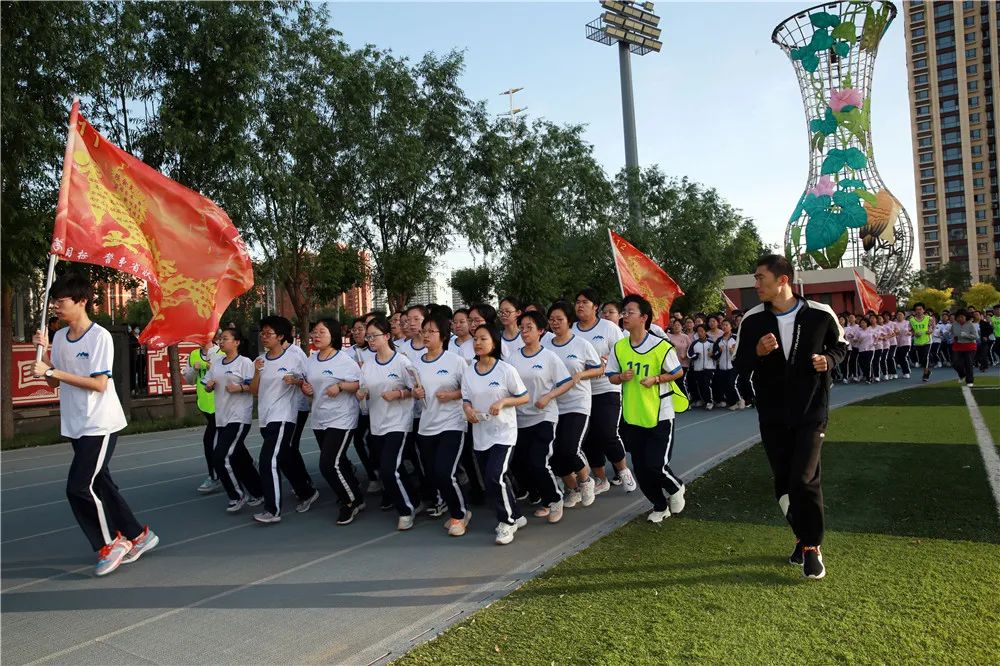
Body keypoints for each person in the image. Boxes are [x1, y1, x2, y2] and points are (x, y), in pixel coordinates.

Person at [32, 274, 158, 576]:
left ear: (82, 301)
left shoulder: (99, 336)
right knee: (100, 482)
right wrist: (46, 357)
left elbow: (99, 384)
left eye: (61, 302)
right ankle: (138, 535)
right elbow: (54, 382)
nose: (57, 308)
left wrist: (53, 372)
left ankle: (110, 543)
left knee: (78, 486)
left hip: (99, 422)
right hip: (75, 422)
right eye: (55, 303)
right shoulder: (60, 337)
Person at [733, 255, 848, 580]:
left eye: (760, 278)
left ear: (782, 280)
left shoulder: (820, 314)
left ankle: (812, 547)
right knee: (783, 483)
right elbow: (739, 364)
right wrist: (756, 352)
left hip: (811, 410)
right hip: (771, 413)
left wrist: (828, 359)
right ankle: (801, 536)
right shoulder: (752, 320)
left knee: (803, 478)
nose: (755, 285)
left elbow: (842, 346)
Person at [606, 294, 687, 524]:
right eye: (623, 312)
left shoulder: (660, 346)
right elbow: (611, 376)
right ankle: (659, 506)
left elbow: (677, 372)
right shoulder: (620, 347)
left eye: (629, 312)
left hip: (661, 414)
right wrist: (621, 376)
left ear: (644, 317)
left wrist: (657, 379)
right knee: (641, 469)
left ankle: (676, 486)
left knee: (656, 464)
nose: (625, 316)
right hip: (633, 416)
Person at [461, 324, 530, 545]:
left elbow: (523, 397)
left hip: (504, 433)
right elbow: (466, 399)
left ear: (494, 343)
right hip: (481, 433)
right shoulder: (469, 372)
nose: (478, 343)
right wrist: (469, 411)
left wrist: (503, 401)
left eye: (483, 339)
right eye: (475, 339)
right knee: (496, 479)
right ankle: (517, 515)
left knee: (494, 476)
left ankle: (506, 522)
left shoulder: (505, 370)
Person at [250, 316, 319, 524]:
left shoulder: (294, 358)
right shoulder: (260, 360)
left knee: (267, 461)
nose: (264, 337)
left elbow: (308, 382)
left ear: (280, 336)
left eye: (269, 334)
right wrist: (256, 372)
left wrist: (296, 381)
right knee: (285, 457)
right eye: (262, 333)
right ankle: (306, 492)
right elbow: (254, 391)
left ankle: (272, 510)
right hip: (265, 417)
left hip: (284, 417)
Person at [509, 311, 575, 524]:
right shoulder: (513, 357)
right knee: (521, 464)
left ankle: (555, 499)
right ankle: (545, 499)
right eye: (522, 327)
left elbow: (567, 382)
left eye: (529, 327)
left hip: (544, 417)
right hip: (520, 419)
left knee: (539, 461)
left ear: (540, 331)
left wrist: (548, 396)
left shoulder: (549, 357)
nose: (524, 331)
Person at [358, 316, 422, 530]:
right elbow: (364, 388)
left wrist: (399, 393)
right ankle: (415, 500)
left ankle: (406, 510)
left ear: (387, 336)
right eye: (368, 337)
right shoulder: (367, 365)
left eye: (374, 336)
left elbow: (418, 391)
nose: (370, 340)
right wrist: (362, 394)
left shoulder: (401, 362)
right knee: (394, 468)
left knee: (388, 469)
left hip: (399, 423)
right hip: (377, 424)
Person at [300, 317, 365, 525]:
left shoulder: (344, 360)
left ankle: (351, 501)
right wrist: (306, 388)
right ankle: (352, 490)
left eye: (322, 332)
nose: (316, 335)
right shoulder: (311, 360)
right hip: (320, 418)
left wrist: (340, 387)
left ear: (333, 336)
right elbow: (309, 385)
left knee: (328, 463)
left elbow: (358, 384)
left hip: (342, 417)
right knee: (339, 461)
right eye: (315, 332)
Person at [411, 312, 471, 536]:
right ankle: (456, 508)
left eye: (431, 331)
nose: (425, 335)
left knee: (445, 472)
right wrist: (415, 392)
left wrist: (453, 395)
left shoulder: (455, 361)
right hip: (427, 425)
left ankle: (459, 515)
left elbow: (468, 390)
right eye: (423, 331)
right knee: (434, 474)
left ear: (443, 335)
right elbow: (415, 390)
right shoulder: (416, 364)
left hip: (452, 424)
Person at [573, 288, 636, 493]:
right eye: (578, 302)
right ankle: (601, 479)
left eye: (585, 302)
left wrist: (609, 360)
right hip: (581, 392)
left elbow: (621, 354)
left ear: (595, 307)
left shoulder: (609, 328)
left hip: (607, 387)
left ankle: (623, 470)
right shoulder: (571, 330)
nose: (580, 305)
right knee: (589, 438)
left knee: (607, 432)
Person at [546, 301, 602, 508]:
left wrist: (581, 374)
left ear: (569, 321)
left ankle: (586, 480)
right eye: (551, 319)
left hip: (577, 403)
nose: (555, 323)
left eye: (559, 319)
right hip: (554, 406)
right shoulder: (546, 344)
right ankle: (572, 488)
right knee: (554, 454)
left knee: (569, 449)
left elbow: (598, 369)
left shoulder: (581, 344)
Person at [203, 328, 264, 513]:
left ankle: (237, 495)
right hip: (221, 416)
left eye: (226, 339)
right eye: (220, 339)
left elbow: (254, 387)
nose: (221, 342)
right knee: (239, 457)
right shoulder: (216, 363)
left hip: (238, 416)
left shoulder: (244, 362)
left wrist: (240, 388)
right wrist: (209, 386)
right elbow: (207, 384)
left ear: (237, 342)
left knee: (220, 456)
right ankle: (259, 491)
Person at [187, 340, 224, 495]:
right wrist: (194, 370)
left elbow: (223, 374)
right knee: (224, 439)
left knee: (210, 441)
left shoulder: (221, 352)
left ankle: (214, 477)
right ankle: (247, 463)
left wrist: (208, 365)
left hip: (221, 404)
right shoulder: (194, 354)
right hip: (205, 405)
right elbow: (189, 380)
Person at [349, 316, 380, 493]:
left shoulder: (375, 351)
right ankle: (373, 475)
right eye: (355, 330)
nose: (357, 333)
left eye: (361, 329)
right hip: (359, 407)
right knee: (359, 439)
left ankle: (380, 473)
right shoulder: (347, 353)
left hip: (377, 405)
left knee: (374, 439)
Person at [714, 319, 742, 410]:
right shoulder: (719, 340)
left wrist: (733, 352)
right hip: (722, 366)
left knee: (731, 384)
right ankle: (732, 403)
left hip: (733, 365)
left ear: (731, 326)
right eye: (723, 325)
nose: (724, 327)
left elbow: (742, 351)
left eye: (726, 325)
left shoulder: (736, 337)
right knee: (724, 385)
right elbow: (714, 355)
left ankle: (739, 400)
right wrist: (719, 351)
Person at [687, 325, 716, 409]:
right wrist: (695, 356)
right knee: (700, 385)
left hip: (709, 368)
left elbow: (717, 354)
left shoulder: (711, 343)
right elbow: (689, 354)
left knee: (707, 385)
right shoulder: (694, 343)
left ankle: (709, 402)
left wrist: (713, 355)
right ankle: (703, 400)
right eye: (698, 331)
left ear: (705, 332)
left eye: (702, 331)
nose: (700, 333)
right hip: (698, 368)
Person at [950, 310, 978, 387]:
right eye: (958, 317)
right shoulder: (954, 324)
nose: (960, 318)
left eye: (962, 317)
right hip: (958, 346)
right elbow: (951, 333)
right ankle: (962, 374)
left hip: (970, 346)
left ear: (966, 317)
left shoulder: (970, 325)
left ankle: (969, 380)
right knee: (955, 363)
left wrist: (966, 335)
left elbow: (976, 337)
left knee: (968, 364)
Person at [909, 303, 932, 382]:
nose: (918, 311)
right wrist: (914, 333)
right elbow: (910, 330)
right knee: (921, 359)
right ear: (915, 311)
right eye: (917, 310)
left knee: (926, 356)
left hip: (927, 341)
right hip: (917, 342)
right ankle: (927, 371)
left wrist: (930, 331)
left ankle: (925, 374)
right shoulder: (911, 320)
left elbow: (932, 327)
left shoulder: (929, 318)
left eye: (920, 309)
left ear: (923, 310)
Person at [498, 296, 524, 360]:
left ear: (518, 313)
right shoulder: (496, 337)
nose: (503, 314)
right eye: (501, 312)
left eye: (507, 311)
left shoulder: (525, 336)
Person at [893, 312, 912, 379]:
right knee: (900, 359)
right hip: (897, 343)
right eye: (898, 315)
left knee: (903, 356)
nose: (899, 316)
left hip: (906, 342)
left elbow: (912, 330)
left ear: (904, 316)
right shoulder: (894, 323)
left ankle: (907, 372)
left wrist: (910, 333)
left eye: (901, 315)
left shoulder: (907, 322)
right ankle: (904, 372)